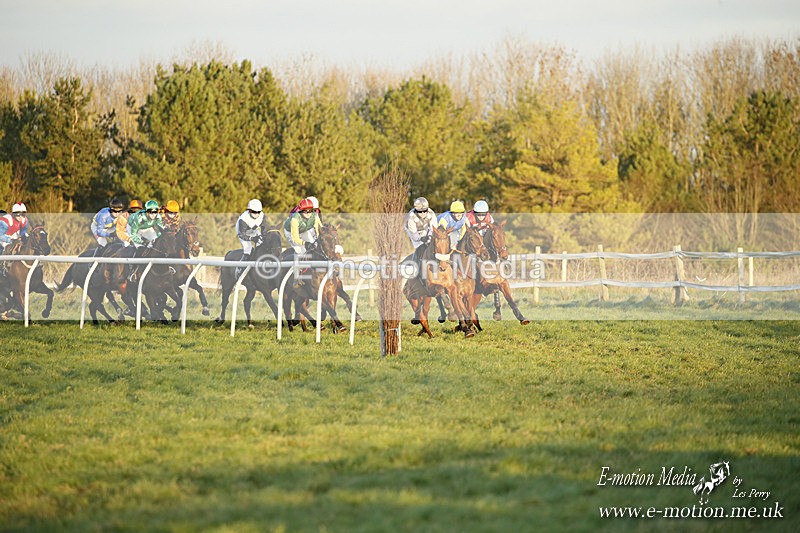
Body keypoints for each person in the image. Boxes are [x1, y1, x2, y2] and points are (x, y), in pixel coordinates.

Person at [235, 199, 265, 278]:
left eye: (258, 212)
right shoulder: (243, 219)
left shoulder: (262, 215)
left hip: (254, 230)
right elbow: (242, 234)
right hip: (242, 232)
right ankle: (239, 270)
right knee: (248, 249)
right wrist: (252, 238)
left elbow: (264, 227)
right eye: (254, 212)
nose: (257, 214)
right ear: (249, 211)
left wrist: (263, 236)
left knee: (262, 244)